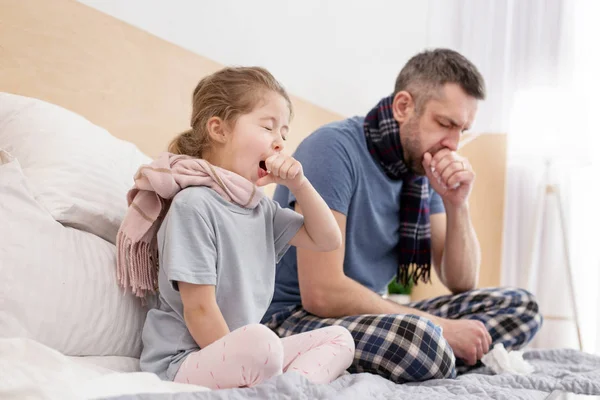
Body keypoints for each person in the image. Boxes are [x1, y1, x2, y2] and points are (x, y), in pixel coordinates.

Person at [262, 48, 543, 383]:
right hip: (294, 319)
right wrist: (440, 328)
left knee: (522, 307)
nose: (452, 144)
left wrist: (457, 203)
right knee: (424, 344)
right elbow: (322, 292)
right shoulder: (332, 150)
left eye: (462, 130)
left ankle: (438, 355)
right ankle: (443, 354)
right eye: (444, 124)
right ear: (403, 107)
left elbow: (461, 282)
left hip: (369, 315)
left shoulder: (419, 170)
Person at [116, 67, 355, 390]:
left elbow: (328, 239)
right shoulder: (194, 205)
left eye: (284, 134)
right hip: (185, 360)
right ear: (219, 129)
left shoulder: (261, 209)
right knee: (262, 343)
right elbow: (199, 308)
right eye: (268, 127)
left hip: (248, 353)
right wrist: (240, 355)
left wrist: (299, 184)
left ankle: (287, 391)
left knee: (340, 339)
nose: (279, 144)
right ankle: (276, 386)